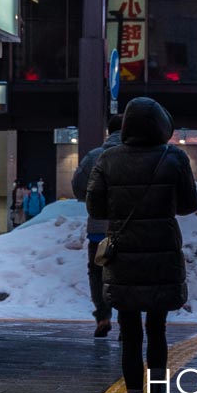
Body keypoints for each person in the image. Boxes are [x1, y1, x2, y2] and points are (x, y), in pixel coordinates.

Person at [86, 97, 197, 393]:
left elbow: (95, 205)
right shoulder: (174, 157)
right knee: (159, 332)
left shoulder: (108, 159)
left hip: (124, 257)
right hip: (162, 254)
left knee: (131, 335)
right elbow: (190, 204)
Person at [71, 116, 125, 337]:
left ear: (108, 131)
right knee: (125, 273)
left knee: (97, 272)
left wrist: (92, 200)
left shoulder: (94, 156)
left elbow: (77, 186)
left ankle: (103, 316)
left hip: (98, 228)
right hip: (127, 227)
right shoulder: (135, 156)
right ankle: (126, 320)